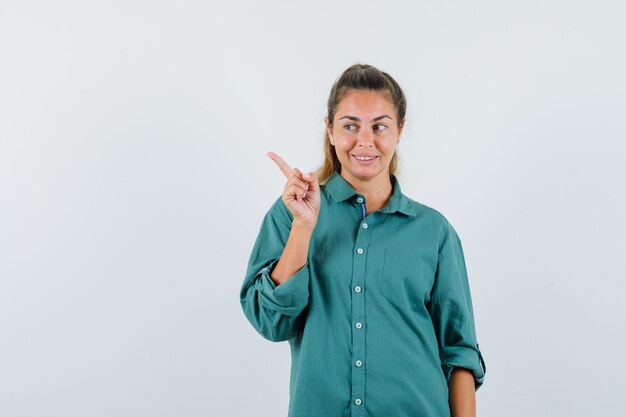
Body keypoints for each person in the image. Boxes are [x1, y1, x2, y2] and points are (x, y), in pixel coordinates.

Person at [239, 63, 486, 417]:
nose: (364, 141)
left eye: (379, 126)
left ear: (400, 129)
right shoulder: (291, 215)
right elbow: (270, 322)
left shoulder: (435, 232)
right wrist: (304, 228)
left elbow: (458, 349)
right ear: (330, 129)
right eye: (350, 126)